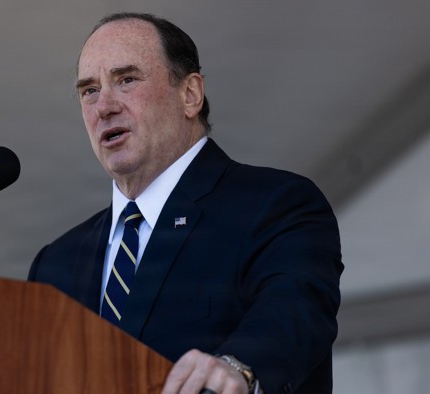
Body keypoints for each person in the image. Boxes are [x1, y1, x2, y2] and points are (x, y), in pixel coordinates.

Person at [28, 12, 343, 394]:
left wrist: (237, 368)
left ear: (190, 94)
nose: (103, 106)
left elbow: (295, 311)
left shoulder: (276, 204)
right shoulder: (55, 264)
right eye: (89, 90)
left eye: (126, 80)